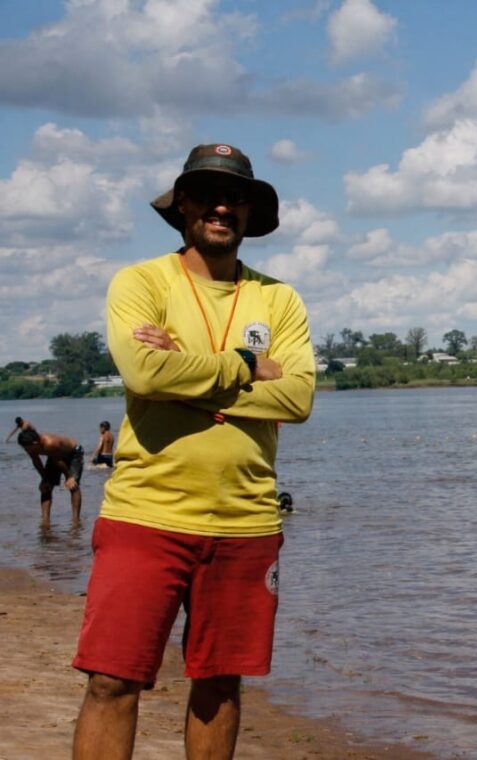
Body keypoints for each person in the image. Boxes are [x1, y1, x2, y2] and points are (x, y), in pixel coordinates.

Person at [71, 143, 316, 760]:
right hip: (143, 516)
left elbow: (298, 397)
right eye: (206, 193)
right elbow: (145, 374)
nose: (221, 205)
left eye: (234, 196)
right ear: (182, 203)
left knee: (219, 684)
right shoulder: (141, 282)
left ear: (250, 211)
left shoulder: (279, 299)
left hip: (247, 521)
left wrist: (188, 375)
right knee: (111, 680)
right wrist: (245, 367)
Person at [16, 428, 83, 524]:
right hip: (54, 456)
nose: (26, 450)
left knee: (73, 485)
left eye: (27, 448)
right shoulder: (29, 446)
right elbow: (36, 461)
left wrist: (68, 477)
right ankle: (45, 519)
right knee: (46, 486)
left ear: (35, 443)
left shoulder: (50, 443)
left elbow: (59, 461)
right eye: (24, 448)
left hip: (74, 453)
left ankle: (76, 519)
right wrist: (44, 478)